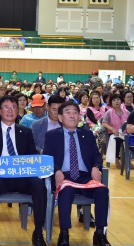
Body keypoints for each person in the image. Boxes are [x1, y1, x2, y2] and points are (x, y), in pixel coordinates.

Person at [0, 95, 47, 246]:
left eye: (14, 107)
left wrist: (41, 158)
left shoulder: (26, 132)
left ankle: (37, 232)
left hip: (22, 177)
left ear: (18, 110)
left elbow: (32, 156)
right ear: (0, 111)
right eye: (6, 107)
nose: (10, 110)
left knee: (39, 184)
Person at [43, 101, 110, 246]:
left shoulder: (87, 134)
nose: (72, 115)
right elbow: (47, 157)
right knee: (65, 192)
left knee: (102, 191)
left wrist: (96, 166)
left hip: (85, 177)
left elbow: (96, 156)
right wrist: (57, 170)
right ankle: (64, 233)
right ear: (60, 117)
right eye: (68, 112)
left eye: (75, 112)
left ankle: (100, 234)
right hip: (65, 176)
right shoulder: (51, 135)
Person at [102, 93, 129, 169]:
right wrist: (112, 129)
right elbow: (104, 123)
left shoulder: (126, 112)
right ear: (111, 103)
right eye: (114, 100)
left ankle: (128, 161)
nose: (116, 101)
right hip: (114, 133)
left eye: (118, 99)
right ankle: (116, 159)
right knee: (116, 140)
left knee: (129, 140)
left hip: (125, 134)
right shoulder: (109, 112)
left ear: (121, 101)